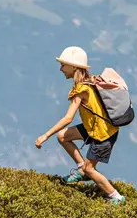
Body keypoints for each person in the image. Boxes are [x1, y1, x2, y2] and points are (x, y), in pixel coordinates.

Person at [35, 46, 125, 204]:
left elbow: (68, 118)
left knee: (90, 169)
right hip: (95, 128)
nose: (61, 69)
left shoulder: (81, 89)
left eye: (63, 65)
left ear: (74, 67)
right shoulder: (88, 82)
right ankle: (81, 169)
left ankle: (115, 196)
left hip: (102, 134)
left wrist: (45, 135)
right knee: (63, 136)